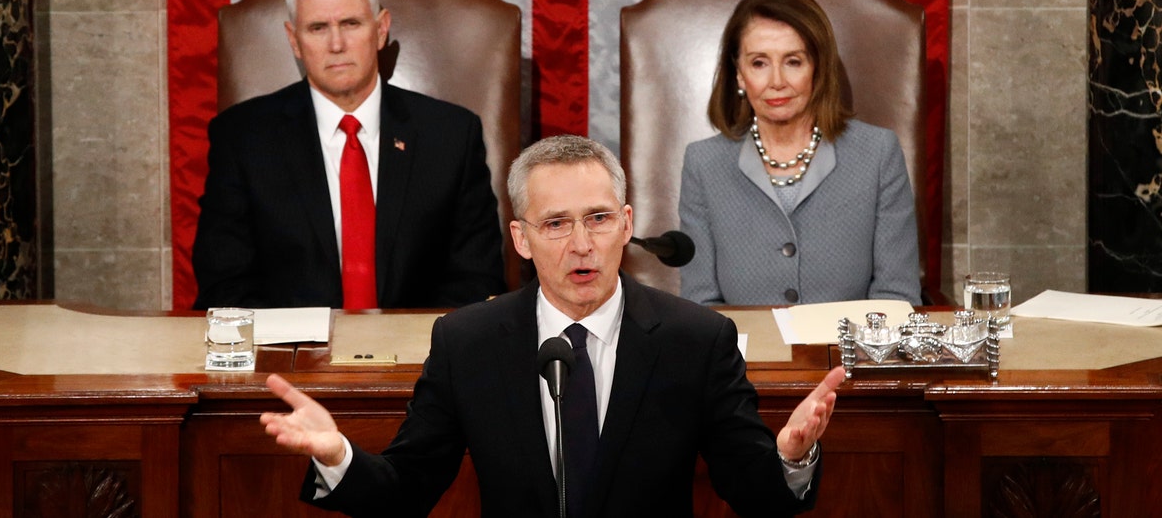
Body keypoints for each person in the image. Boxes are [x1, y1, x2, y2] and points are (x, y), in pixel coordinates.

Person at [261, 134, 845, 517]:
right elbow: (407, 488)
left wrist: (790, 458)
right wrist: (338, 454)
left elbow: (753, 492)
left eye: (597, 219)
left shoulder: (696, 340)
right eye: (556, 224)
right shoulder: (469, 342)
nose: (582, 244)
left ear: (626, 224)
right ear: (521, 239)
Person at [192, 0, 505, 309]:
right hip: (290, 358)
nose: (336, 44)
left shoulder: (450, 136)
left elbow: (477, 281)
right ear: (294, 40)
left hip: (422, 356)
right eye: (317, 28)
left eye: (351, 23)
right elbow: (225, 286)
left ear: (381, 29)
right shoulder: (243, 139)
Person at [680, 0, 921, 306]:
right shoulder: (703, 164)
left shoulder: (877, 154)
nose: (777, 81)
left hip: (847, 354)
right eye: (759, 63)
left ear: (817, 68)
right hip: (740, 354)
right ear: (738, 74)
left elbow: (896, 297)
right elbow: (702, 305)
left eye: (793, 61)